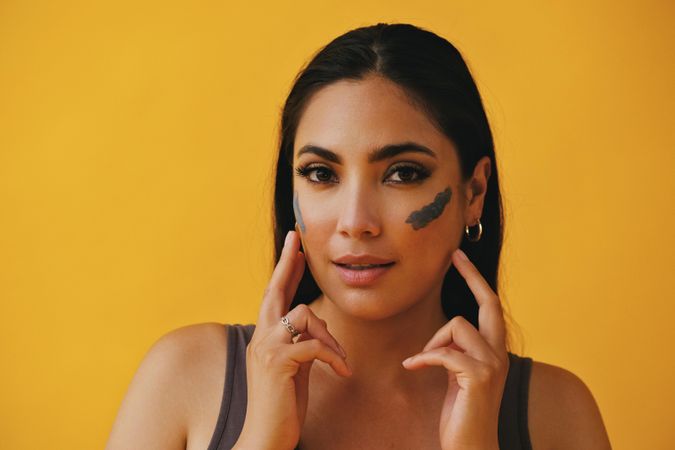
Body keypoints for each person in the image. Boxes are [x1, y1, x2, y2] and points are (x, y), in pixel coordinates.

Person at [105, 23, 612, 450]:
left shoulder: (555, 413)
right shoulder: (187, 377)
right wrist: (260, 437)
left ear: (473, 191)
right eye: (322, 174)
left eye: (403, 173)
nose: (356, 221)